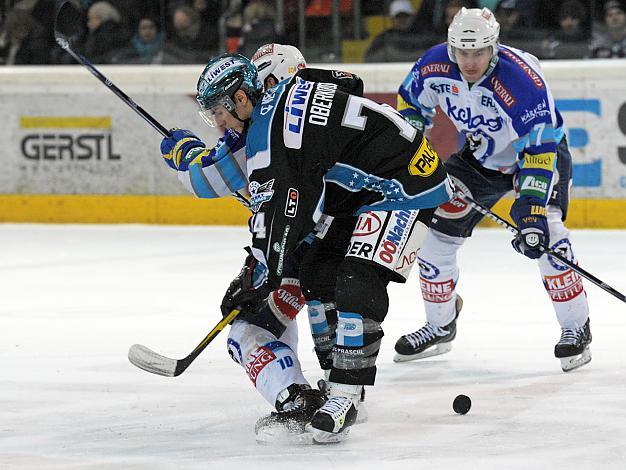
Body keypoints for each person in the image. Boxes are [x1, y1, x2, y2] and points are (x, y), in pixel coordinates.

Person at [162, 50, 453, 443]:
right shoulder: (287, 102)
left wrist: (261, 274)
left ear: (244, 98)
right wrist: (264, 266)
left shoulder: (270, 130)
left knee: (357, 278)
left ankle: (347, 395)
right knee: (317, 270)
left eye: (220, 110)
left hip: (405, 188)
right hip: (364, 191)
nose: (219, 122)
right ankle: (339, 381)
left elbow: (283, 209)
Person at [395, 7, 592, 373]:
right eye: (463, 53)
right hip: (480, 157)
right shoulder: (434, 65)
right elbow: (410, 102)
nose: (470, 62)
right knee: (434, 237)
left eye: (479, 52)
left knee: (547, 237)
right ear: (452, 48)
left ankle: (575, 328)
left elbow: (538, 147)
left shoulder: (520, 80)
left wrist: (531, 209)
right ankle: (440, 325)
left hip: (536, 157)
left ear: (494, 47)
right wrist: (413, 150)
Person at [364, 0, 436, 62]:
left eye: (405, 16)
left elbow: (435, 55)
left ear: (412, 17)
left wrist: (391, 54)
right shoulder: (383, 38)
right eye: (398, 17)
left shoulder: (424, 36)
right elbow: (369, 59)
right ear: (391, 19)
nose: (402, 20)